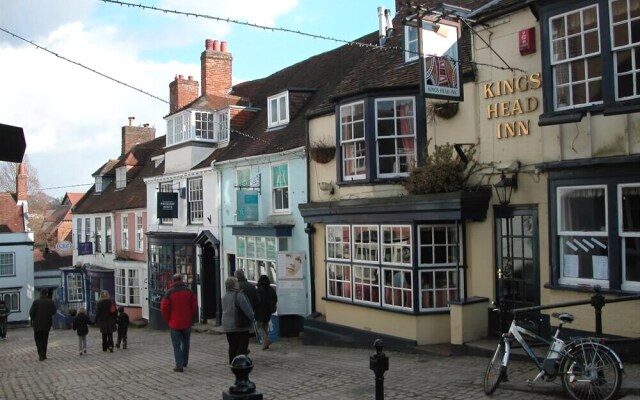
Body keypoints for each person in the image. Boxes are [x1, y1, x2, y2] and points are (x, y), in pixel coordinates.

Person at [160, 273, 197, 372]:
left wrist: (168, 319)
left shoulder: (169, 293)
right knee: (186, 343)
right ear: (182, 280)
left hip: (174, 323)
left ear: (173, 280)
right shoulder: (189, 291)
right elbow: (194, 306)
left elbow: (164, 308)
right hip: (187, 321)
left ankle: (179, 365)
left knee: (176, 345)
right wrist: (191, 316)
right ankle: (185, 361)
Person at [221, 276, 254, 364]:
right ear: (233, 285)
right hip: (240, 325)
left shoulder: (224, 296)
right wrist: (252, 317)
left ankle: (232, 362)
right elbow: (248, 310)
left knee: (232, 345)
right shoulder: (239, 295)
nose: (238, 284)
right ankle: (240, 364)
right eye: (237, 283)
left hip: (227, 325)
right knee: (242, 346)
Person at [29, 289, 56, 361]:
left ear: (40, 293)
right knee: (45, 339)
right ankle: (43, 354)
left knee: (38, 339)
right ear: (46, 294)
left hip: (37, 324)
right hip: (47, 323)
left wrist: (32, 319)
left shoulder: (36, 302)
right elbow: (54, 311)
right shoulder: (50, 302)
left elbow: (31, 313)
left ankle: (40, 353)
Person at [255, 274, 278, 350]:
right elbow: (275, 299)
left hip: (260, 311)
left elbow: (256, 300)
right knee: (265, 325)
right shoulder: (271, 289)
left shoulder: (259, 290)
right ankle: (266, 343)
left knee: (258, 326)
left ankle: (266, 340)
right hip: (268, 311)